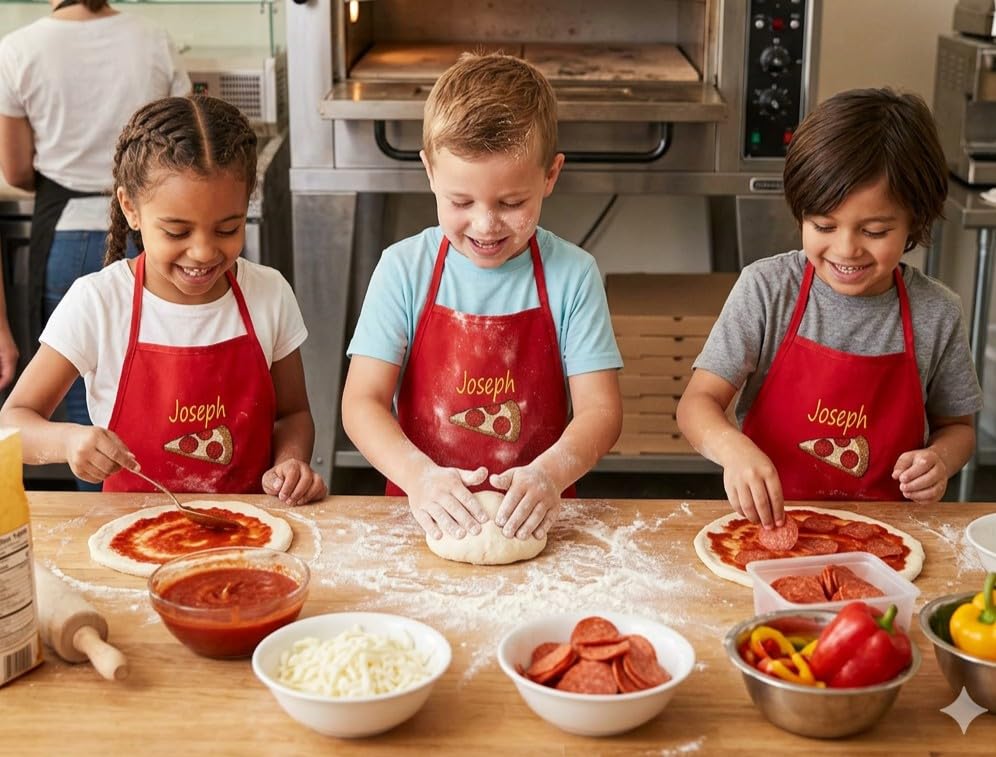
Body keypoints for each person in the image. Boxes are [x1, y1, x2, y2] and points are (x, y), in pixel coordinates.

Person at [341, 52, 623, 543]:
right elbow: (361, 403)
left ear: (550, 176)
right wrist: (419, 477)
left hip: (539, 518)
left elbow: (601, 411)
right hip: (420, 516)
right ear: (430, 172)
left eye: (512, 203)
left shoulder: (573, 275)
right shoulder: (403, 269)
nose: (486, 224)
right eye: (460, 201)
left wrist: (550, 475)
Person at [0, 95, 327, 505]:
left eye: (228, 229)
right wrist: (67, 441)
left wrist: (291, 462)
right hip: (131, 532)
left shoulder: (269, 294)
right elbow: (12, 422)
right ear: (130, 208)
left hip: (249, 531)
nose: (204, 252)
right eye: (176, 232)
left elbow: (293, 414)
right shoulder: (99, 303)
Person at [676, 88, 981, 527]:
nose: (846, 249)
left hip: (888, 531)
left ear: (915, 220)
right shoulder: (766, 291)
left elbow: (959, 428)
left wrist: (940, 460)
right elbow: (697, 404)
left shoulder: (936, 312)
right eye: (823, 225)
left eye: (874, 231)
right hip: (772, 524)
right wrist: (733, 450)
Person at [0, 0, 191, 487]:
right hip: (151, 232)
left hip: (63, 235)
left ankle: (102, 517)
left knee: (85, 421)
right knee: (162, 394)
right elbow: (185, 138)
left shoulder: (18, 49)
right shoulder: (153, 38)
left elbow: (17, 171)